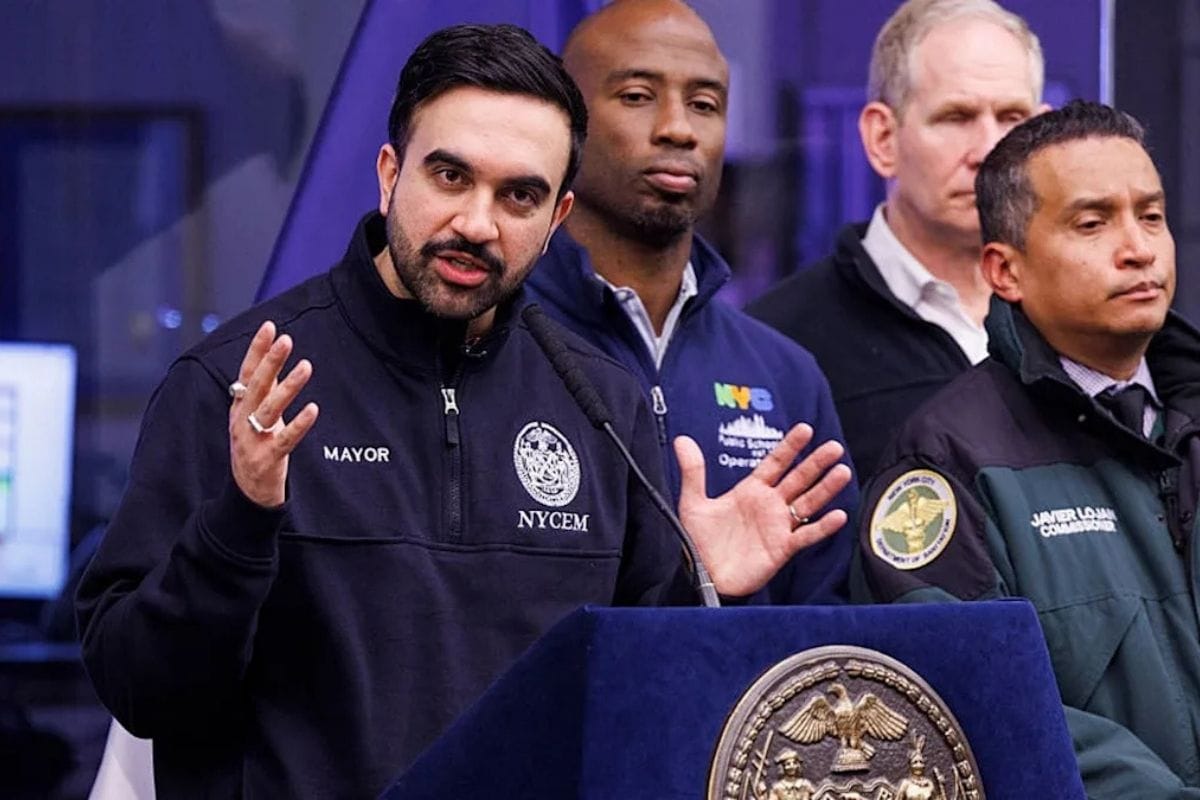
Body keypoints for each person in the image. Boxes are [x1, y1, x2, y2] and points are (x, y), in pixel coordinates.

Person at [75, 23, 851, 799]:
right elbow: (142, 691)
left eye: (520, 195)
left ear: (557, 219)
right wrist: (238, 524)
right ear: (389, 174)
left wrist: (698, 590)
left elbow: (643, 712)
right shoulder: (240, 383)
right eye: (450, 176)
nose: (478, 224)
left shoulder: (600, 405)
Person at [854, 100, 1200, 796]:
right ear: (1005, 270)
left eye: (1152, 215)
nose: (1138, 247)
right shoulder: (945, 459)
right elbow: (971, 701)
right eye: (1092, 222)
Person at [526, 0, 857, 604]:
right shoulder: (492, 336)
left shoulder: (783, 373)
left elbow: (826, 619)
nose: (678, 128)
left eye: (705, 104)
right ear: (564, 123)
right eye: (636, 96)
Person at [747, 0, 1048, 480]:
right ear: (882, 139)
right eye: (956, 116)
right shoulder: (779, 345)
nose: (990, 150)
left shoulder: (1081, 321)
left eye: (1013, 118)